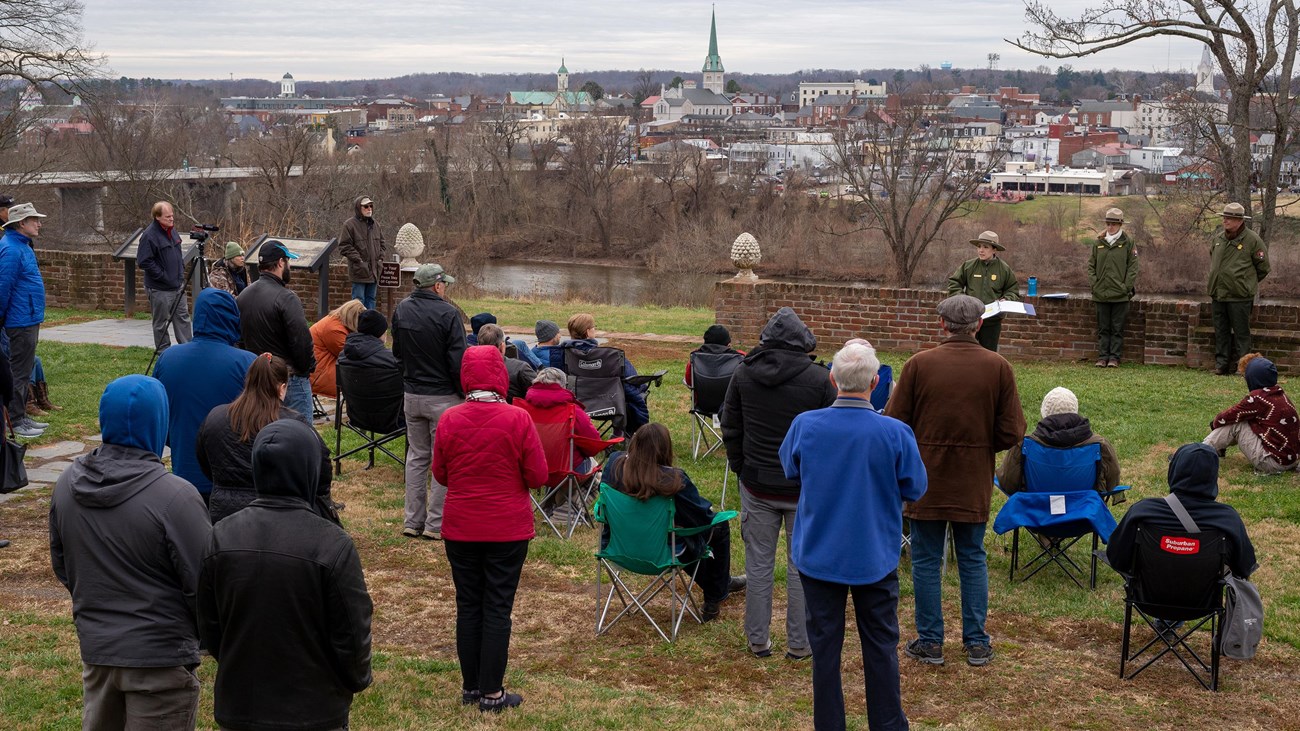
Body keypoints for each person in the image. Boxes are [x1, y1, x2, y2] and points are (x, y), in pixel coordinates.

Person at [49, 375, 211, 730]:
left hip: (98, 651)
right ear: (159, 421)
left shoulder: (65, 485)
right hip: (161, 659)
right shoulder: (176, 497)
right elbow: (204, 584)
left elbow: (64, 565)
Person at [780, 341, 926, 731]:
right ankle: (888, 723)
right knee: (880, 645)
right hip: (873, 556)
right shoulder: (895, 433)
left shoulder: (805, 425)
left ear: (832, 379)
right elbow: (916, 486)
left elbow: (788, 469)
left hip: (819, 554)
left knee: (824, 649)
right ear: (876, 382)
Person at [198, 419, 373, 731]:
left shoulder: (221, 535)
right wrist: (354, 679)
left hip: (241, 705)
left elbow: (211, 627)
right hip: (314, 710)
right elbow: (351, 631)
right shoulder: (331, 543)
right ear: (309, 468)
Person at [884, 294, 1024, 668]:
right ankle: (976, 642)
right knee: (972, 557)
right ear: (978, 325)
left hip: (925, 478)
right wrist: (980, 447)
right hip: (972, 478)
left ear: (941, 325)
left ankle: (931, 641)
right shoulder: (997, 367)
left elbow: (894, 423)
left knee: (927, 559)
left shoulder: (918, 366)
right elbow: (1012, 431)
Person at [432, 345, 548, 713]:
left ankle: (471, 687)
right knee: (496, 607)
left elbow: (440, 473)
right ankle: (492, 693)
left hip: (462, 524)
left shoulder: (450, 419)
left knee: (468, 605)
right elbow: (537, 475)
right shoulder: (517, 419)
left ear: (465, 376)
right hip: (506, 527)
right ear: (500, 374)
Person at [721, 306, 837, 660]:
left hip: (763, 483)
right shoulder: (819, 380)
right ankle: (799, 644)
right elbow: (832, 435)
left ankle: (760, 640)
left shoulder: (744, 374)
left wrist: (742, 466)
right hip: (793, 485)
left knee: (758, 566)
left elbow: (730, 426)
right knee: (801, 568)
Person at [604, 423, 746, 620]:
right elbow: (702, 517)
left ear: (634, 444)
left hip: (619, 549)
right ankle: (716, 594)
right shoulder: (673, 479)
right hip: (662, 553)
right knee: (717, 527)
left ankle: (722, 583)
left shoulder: (613, 465)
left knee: (678, 532)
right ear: (665, 450)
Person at [197, 354, 334, 523]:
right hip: (279, 514)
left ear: (248, 382)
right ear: (282, 388)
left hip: (225, 515)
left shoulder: (215, 417)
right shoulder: (294, 424)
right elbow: (322, 466)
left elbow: (205, 461)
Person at [154, 288, 258, 505]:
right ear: (232, 316)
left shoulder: (168, 359)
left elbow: (160, 416)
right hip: (232, 477)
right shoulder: (247, 363)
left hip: (184, 474)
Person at [1107, 443, 1257, 580]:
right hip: (1205, 604)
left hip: (1146, 600)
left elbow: (1116, 558)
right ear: (1213, 477)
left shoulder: (1142, 512)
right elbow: (1244, 568)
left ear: (1174, 471)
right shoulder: (1227, 519)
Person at [392, 262, 465, 541]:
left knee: (416, 457)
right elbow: (457, 360)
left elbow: (397, 353)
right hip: (443, 397)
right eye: (444, 283)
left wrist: (408, 379)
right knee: (441, 460)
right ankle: (435, 524)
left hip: (412, 395)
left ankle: (412, 521)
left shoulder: (402, 309)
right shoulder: (449, 314)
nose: (445, 287)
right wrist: (462, 391)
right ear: (436, 286)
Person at [236, 240, 315, 423]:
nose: (289, 266)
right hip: (289, 379)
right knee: (300, 436)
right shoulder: (286, 298)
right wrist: (305, 369)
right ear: (280, 262)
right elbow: (301, 341)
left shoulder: (243, 297)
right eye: (288, 261)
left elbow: (239, 339)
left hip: (258, 378)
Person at [997, 386, 1123, 499]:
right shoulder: (1100, 445)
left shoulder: (1023, 445)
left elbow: (1008, 483)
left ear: (1044, 413)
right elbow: (1113, 481)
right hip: (1084, 515)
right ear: (1075, 410)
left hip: (1038, 515)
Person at [553, 312, 651, 434]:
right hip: (612, 403)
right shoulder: (610, 355)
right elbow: (632, 376)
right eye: (594, 327)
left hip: (579, 403)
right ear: (588, 332)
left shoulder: (563, 355)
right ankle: (622, 433)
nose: (595, 330)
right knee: (633, 392)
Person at [0, 202, 50, 438]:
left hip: (28, 316)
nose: (39, 224)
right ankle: (16, 418)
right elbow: (3, 287)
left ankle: (21, 415)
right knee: (19, 372)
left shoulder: (22, 245)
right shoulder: (11, 249)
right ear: (22, 223)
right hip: (19, 320)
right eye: (34, 220)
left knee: (24, 368)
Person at [1204, 353, 1299, 474]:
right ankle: (1216, 448)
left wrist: (1215, 423)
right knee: (1244, 419)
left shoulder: (1258, 398)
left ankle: (1197, 454)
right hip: (1291, 460)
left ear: (1252, 377)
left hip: (1273, 463)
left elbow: (1227, 417)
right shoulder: (1280, 394)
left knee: (1238, 423)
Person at [1208, 202, 1270, 375]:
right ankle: (1222, 365)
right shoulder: (1218, 239)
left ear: (1239, 221)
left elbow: (1263, 267)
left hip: (1240, 296)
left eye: (1229, 218)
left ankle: (1243, 367)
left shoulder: (1252, 240)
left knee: (1242, 334)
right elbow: (1213, 259)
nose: (1225, 221)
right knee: (1221, 331)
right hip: (1218, 293)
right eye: (1224, 217)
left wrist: (1246, 283)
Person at [946, 230, 1020, 352]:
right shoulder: (968, 266)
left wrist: (1007, 299)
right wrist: (962, 300)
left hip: (992, 321)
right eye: (979, 246)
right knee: (967, 351)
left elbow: (1012, 290)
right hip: (969, 320)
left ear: (994, 249)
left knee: (988, 353)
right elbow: (954, 283)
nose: (981, 250)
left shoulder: (1004, 269)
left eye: (985, 247)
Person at [137, 201, 193, 354]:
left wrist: (180, 272)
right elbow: (143, 261)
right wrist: (162, 276)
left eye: (172, 216)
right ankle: (164, 353)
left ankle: (187, 350)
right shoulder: (149, 235)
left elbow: (178, 253)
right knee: (161, 322)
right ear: (157, 217)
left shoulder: (172, 231)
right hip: (159, 288)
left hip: (177, 286)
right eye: (168, 216)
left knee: (183, 319)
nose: (171, 219)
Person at [1089, 207, 1139, 368]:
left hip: (1120, 294)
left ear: (1120, 225)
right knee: (1103, 328)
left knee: (1117, 328)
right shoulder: (1098, 243)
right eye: (1108, 223)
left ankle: (1114, 358)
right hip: (1101, 292)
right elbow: (1091, 266)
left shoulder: (1128, 243)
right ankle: (1102, 357)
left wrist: (1126, 287)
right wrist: (1095, 284)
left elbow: (1133, 267)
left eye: (1114, 224)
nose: (1110, 227)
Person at [336, 195, 388, 309]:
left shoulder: (375, 225)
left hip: (374, 271)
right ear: (359, 208)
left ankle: (369, 325)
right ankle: (357, 325)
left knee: (371, 300)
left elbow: (383, 244)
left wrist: (380, 259)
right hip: (359, 271)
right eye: (366, 206)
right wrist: (359, 260)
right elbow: (344, 246)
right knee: (358, 302)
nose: (369, 208)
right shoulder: (349, 225)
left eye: (370, 206)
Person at [309, 298, 366, 400]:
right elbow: (349, 354)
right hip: (320, 373)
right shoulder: (334, 329)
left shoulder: (335, 322)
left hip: (319, 368)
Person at [475, 323, 536, 402]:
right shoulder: (520, 368)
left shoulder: (468, 367)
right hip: (514, 411)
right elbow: (539, 393)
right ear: (502, 346)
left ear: (478, 344)